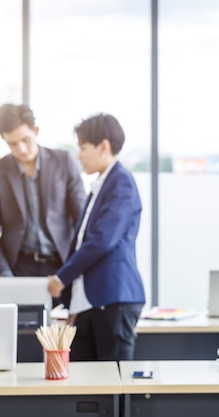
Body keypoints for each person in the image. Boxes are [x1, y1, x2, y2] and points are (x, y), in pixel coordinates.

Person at [47, 113, 145, 361]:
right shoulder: (100, 185)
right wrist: (74, 305)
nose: (79, 155)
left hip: (114, 298)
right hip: (91, 303)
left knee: (115, 386)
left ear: (104, 146)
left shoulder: (121, 182)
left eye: (83, 148)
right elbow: (83, 243)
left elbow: (102, 241)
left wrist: (62, 277)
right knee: (87, 385)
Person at [0, 104, 86, 293]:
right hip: (18, 268)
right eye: (12, 143)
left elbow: (82, 220)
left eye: (25, 140)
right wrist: (4, 273)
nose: (21, 149)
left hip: (61, 264)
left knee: (64, 323)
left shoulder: (63, 162)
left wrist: (74, 269)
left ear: (35, 131)